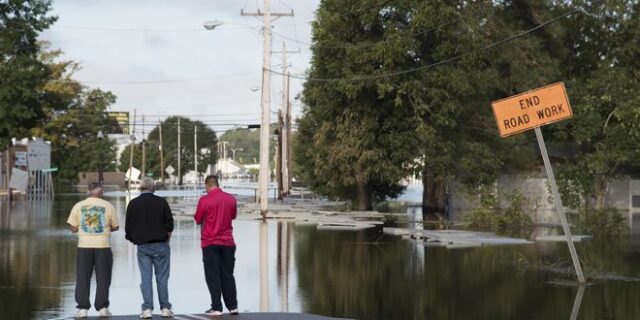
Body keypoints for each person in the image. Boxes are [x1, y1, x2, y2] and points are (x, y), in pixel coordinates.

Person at [67, 182, 119, 318]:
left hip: (84, 246)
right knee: (103, 278)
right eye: (103, 191)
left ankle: (83, 309)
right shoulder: (108, 206)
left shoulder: (78, 206)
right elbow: (116, 226)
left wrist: (84, 227)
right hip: (103, 246)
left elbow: (72, 228)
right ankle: (102, 308)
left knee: (83, 278)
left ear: (89, 191)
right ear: (100, 192)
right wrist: (104, 227)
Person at [125, 177, 175, 318]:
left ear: (141, 188)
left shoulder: (133, 204)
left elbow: (128, 227)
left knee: (145, 278)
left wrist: (134, 239)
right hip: (161, 245)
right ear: (153, 188)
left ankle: (147, 309)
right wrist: (167, 240)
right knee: (162, 278)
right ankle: (165, 308)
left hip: (143, 246)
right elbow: (169, 224)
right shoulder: (162, 202)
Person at [194, 175, 239, 316]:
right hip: (228, 242)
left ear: (207, 185)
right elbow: (233, 216)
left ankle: (217, 307)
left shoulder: (204, 200)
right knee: (228, 274)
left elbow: (198, 219)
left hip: (210, 242)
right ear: (217, 184)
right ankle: (233, 306)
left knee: (213, 275)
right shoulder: (231, 199)